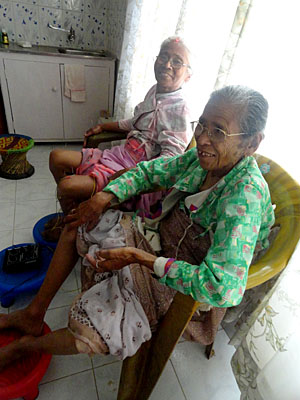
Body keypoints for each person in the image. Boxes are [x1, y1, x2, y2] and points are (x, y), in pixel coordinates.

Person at [0, 85, 275, 368]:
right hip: (160, 240)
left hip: (183, 276)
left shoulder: (245, 197)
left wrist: (138, 258)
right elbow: (149, 171)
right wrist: (106, 196)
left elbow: (221, 286)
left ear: (252, 143)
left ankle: (26, 347)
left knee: (95, 332)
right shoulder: (199, 160)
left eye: (218, 131)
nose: (202, 139)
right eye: (201, 125)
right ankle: (34, 313)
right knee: (80, 222)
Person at [48, 36, 193, 218]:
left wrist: (132, 175)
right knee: (56, 157)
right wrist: (103, 127)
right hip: (119, 155)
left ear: (188, 75)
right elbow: (135, 122)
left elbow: (170, 160)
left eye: (177, 61)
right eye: (163, 57)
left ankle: (73, 221)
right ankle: (74, 214)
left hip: (135, 172)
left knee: (66, 186)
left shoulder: (180, 109)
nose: (167, 65)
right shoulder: (155, 90)